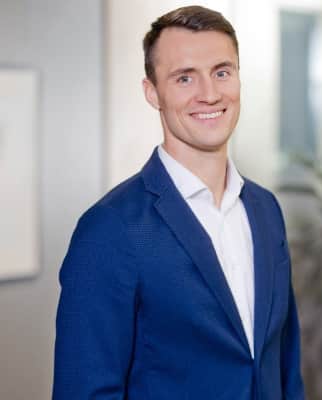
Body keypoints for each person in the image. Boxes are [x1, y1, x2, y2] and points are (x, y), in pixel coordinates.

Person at [52, 5, 305, 400]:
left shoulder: (265, 209)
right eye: (185, 78)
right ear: (152, 92)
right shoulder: (110, 229)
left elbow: (286, 368)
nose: (210, 93)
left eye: (222, 72)